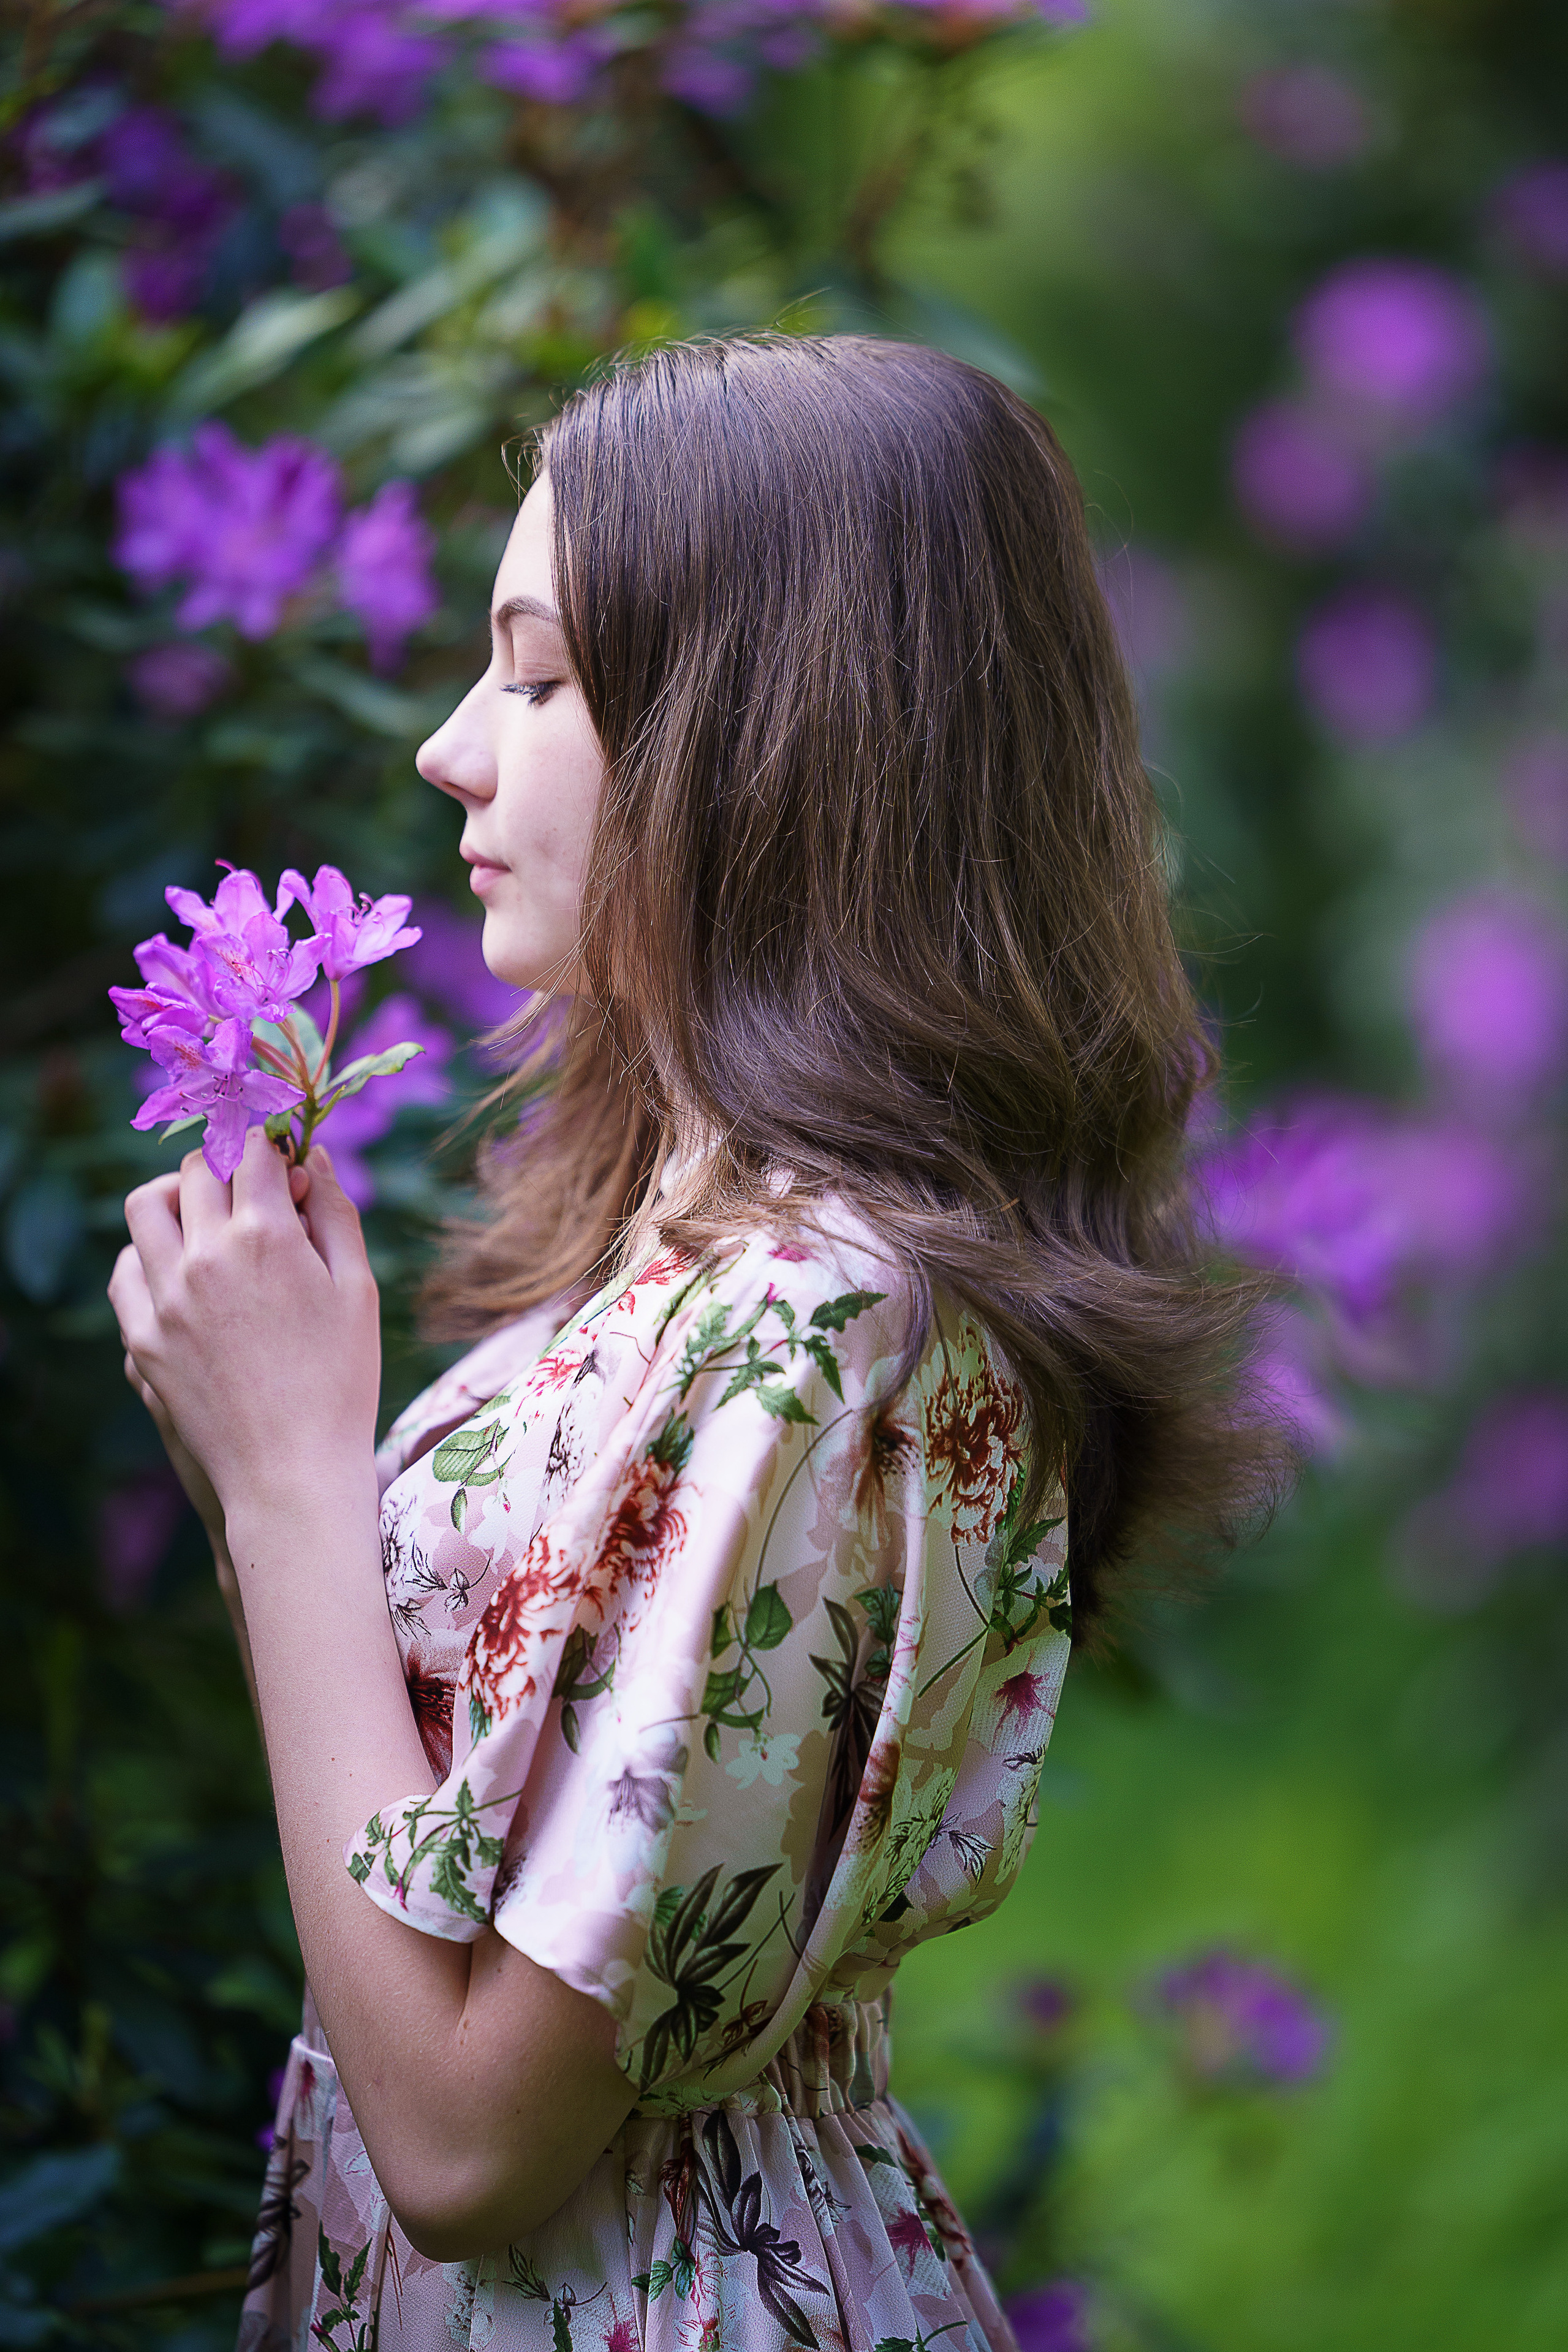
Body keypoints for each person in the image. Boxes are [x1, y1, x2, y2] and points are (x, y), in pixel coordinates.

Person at [108, 334, 1292, 2352]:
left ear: (769, 736)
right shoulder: (711, 1266)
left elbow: (471, 2146)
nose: (453, 751)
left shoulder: (814, 1332)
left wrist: (291, 1484)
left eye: (544, 676)